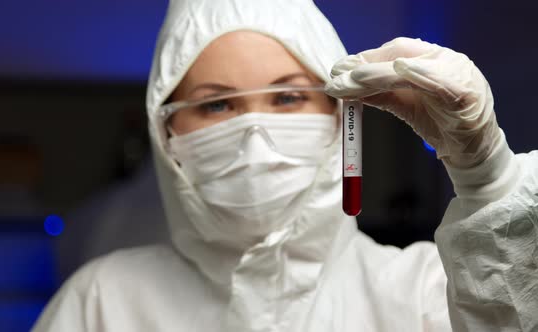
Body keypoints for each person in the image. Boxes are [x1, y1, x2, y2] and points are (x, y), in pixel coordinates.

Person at [32, 0, 538, 331]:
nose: (255, 134)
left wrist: (490, 182)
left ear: (341, 117)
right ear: (166, 133)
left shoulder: (432, 290)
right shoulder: (100, 304)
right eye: (216, 104)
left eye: (288, 96)